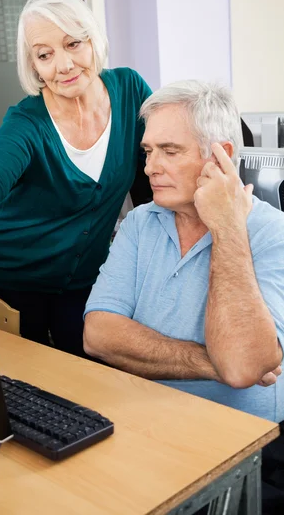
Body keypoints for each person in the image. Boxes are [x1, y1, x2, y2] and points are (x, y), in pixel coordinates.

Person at [83, 80, 284, 513]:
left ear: (221, 157)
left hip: (241, 449)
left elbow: (246, 362)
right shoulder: (140, 223)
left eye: (169, 151)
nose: (151, 167)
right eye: (148, 152)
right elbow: (99, 334)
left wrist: (227, 226)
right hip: (146, 424)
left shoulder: (272, 232)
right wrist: (214, 363)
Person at [0, 0, 152, 357]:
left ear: (92, 40)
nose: (64, 65)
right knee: (29, 388)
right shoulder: (28, 121)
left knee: (94, 377)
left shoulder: (130, 89)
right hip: (10, 279)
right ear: (33, 65)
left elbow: (153, 170)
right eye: (45, 54)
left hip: (84, 280)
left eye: (73, 44)